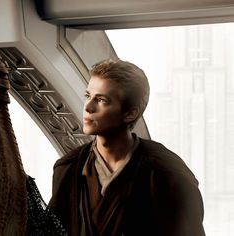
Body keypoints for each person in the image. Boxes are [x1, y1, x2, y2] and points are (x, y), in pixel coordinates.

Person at [48, 59, 205, 236]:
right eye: (88, 96)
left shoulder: (166, 172)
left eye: (101, 100)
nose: (88, 107)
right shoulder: (68, 168)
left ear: (130, 113)